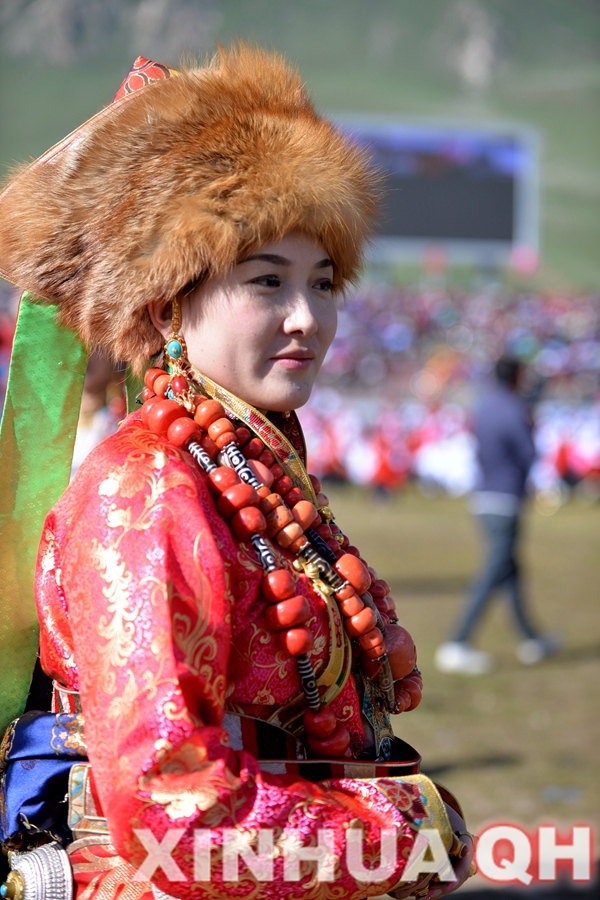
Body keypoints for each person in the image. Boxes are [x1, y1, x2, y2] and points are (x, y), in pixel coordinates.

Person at [0, 47, 475, 899]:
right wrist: (402, 833)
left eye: (324, 282)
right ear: (167, 301)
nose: (307, 318)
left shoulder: (256, 472)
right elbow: (173, 811)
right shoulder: (144, 491)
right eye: (267, 281)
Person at [435, 356, 559, 675]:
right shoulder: (516, 409)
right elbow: (530, 454)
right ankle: (457, 643)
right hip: (506, 499)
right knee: (493, 572)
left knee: (510, 570)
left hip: (484, 497)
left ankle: (531, 638)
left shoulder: (485, 407)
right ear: (518, 376)